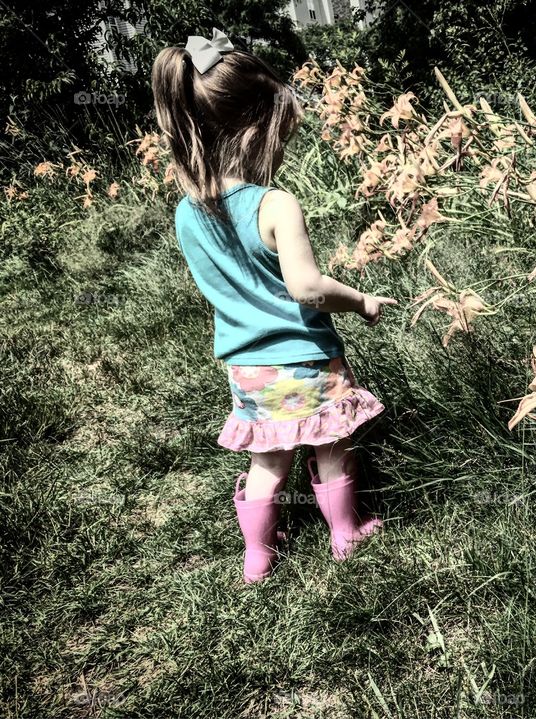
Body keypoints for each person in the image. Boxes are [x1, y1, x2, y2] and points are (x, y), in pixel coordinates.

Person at [151, 29, 396, 583]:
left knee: (268, 460)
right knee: (331, 444)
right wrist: (359, 301)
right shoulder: (275, 203)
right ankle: (345, 533)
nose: (280, 152)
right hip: (307, 359)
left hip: (248, 370)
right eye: (280, 139)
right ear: (256, 131)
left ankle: (258, 557)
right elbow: (308, 288)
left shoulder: (187, 214)